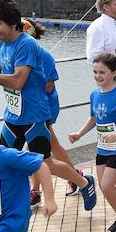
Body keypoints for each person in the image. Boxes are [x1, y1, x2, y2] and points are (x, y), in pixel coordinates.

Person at [0, 0, 97, 211]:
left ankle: (84, 182)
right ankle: (13, 203)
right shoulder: (1, 42)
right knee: (2, 159)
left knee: (45, 163)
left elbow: (18, 81)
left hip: (34, 115)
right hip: (13, 114)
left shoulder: (26, 44)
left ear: (12, 22)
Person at [68, 53, 116, 232]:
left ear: (114, 72)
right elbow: (94, 118)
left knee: (107, 185)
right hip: (103, 147)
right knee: (102, 185)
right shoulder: (94, 95)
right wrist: (79, 134)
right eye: (95, 72)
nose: (98, 76)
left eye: (102, 72)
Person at [23, 20, 84, 201]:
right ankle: (75, 176)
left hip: (44, 107)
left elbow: (48, 86)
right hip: (29, 108)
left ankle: (36, 190)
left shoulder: (44, 57)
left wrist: (24, 84)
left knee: (37, 149)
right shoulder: (19, 56)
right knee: (51, 145)